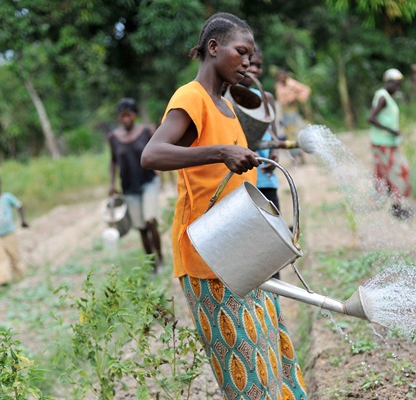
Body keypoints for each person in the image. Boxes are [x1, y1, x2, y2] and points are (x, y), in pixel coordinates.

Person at [141, 13, 308, 399]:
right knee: (246, 371)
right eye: (241, 53)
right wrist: (220, 153)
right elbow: (151, 155)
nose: (248, 62)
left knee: (272, 356)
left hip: (244, 244)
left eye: (251, 56)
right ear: (213, 48)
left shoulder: (226, 106)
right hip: (209, 252)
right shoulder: (191, 97)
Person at [239, 44, 283, 280]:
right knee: (250, 243)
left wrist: (274, 154)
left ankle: (275, 301)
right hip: (244, 182)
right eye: (249, 64)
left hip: (266, 178)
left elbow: (274, 137)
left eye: (258, 65)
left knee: (272, 240)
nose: (253, 69)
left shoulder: (266, 98)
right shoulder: (229, 99)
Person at [108, 98, 163, 270]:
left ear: (135, 115)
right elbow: (113, 161)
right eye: (122, 116)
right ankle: (152, 265)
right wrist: (111, 184)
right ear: (119, 117)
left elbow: (158, 150)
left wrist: (160, 167)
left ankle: (160, 260)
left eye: (129, 115)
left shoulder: (146, 131)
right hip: (129, 187)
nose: (126, 119)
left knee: (150, 221)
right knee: (140, 228)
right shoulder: (114, 138)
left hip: (148, 182)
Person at [367, 69, 413, 220]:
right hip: (383, 144)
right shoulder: (383, 97)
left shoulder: (386, 97)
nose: (398, 88)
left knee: (390, 174)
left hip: (388, 143)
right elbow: (371, 118)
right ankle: (397, 207)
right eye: (396, 84)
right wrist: (391, 130)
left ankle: (394, 204)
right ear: (389, 82)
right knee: (398, 173)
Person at [0, 173, 28, 286]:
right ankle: (3, 280)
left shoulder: (7, 198)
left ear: (0, 184)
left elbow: (20, 206)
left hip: (9, 233)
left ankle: (20, 276)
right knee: (0, 258)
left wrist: (23, 220)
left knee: (14, 256)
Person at [275, 67, 311, 165]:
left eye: (283, 75)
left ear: (286, 75)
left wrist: (297, 98)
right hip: (284, 113)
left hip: (292, 111)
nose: (281, 77)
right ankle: (293, 158)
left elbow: (306, 90)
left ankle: (300, 157)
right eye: (280, 75)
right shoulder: (278, 86)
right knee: (287, 136)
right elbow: (280, 101)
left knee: (294, 134)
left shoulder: (291, 83)